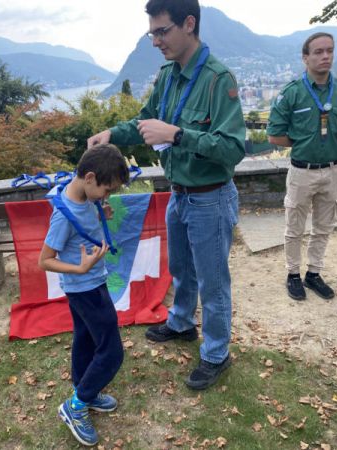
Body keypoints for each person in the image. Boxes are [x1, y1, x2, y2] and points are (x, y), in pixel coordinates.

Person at [88, 0, 245, 391]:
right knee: (181, 269)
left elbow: (232, 149)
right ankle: (180, 324)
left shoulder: (216, 79)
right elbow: (143, 121)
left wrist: (176, 135)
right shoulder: (169, 75)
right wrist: (111, 134)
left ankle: (216, 353)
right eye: (152, 33)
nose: (156, 41)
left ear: (188, 23)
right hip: (180, 194)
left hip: (210, 196)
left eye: (162, 31)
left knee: (213, 281)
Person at [267, 32, 337, 301]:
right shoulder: (292, 93)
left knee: (324, 226)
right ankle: (292, 275)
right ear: (306, 57)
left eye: (330, 51)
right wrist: (302, 142)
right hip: (302, 171)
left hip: (334, 170)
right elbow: (274, 135)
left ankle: (313, 273)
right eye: (318, 52)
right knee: (294, 227)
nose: (326, 56)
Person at [38, 145, 129, 447]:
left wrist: (100, 211)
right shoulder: (64, 216)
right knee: (113, 351)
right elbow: (45, 260)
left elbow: (88, 215)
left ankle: (84, 391)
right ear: (89, 177)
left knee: (86, 339)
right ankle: (75, 406)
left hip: (91, 284)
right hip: (86, 288)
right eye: (106, 190)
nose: (107, 196)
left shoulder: (84, 195)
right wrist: (79, 268)